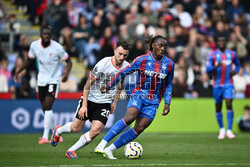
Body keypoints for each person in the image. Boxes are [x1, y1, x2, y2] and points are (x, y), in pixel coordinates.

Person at [94, 35, 175, 159]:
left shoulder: (169, 64)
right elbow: (124, 72)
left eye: (165, 46)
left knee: (140, 127)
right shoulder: (141, 60)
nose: (163, 48)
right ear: (153, 45)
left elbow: (168, 84)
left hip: (154, 101)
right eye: (160, 45)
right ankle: (101, 144)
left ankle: (109, 150)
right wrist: (110, 85)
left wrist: (167, 102)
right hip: (139, 94)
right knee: (130, 117)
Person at [50, 40, 130, 159]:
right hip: (90, 99)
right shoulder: (103, 64)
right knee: (75, 128)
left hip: (105, 103)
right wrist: (84, 105)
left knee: (96, 130)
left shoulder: (126, 66)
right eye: (120, 53)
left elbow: (120, 84)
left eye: (125, 55)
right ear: (114, 51)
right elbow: (87, 85)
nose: (122, 57)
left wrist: (115, 102)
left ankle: (71, 150)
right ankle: (58, 131)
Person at [14, 25, 72, 144]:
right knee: (45, 108)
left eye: (48, 34)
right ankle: (56, 132)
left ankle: (45, 136)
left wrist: (66, 74)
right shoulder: (35, 46)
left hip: (54, 79)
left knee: (48, 104)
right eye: (44, 34)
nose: (46, 36)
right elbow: (29, 60)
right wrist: (18, 70)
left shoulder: (57, 47)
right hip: (41, 80)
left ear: (51, 36)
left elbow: (69, 61)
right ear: (40, 35)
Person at [206, 33, 241, 139]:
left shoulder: (232, 54)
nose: (221, 43)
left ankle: (229, 130)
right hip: (217, 85)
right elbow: (208, 70)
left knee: (229, 103)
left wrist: (235, 71)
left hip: (228, 84)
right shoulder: (212, 55)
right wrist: (216, 66)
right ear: (217, 43)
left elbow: (238, 65)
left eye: (223, 41)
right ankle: (222, 129)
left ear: (225, 42)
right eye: (219, 41)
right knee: (218, 107)